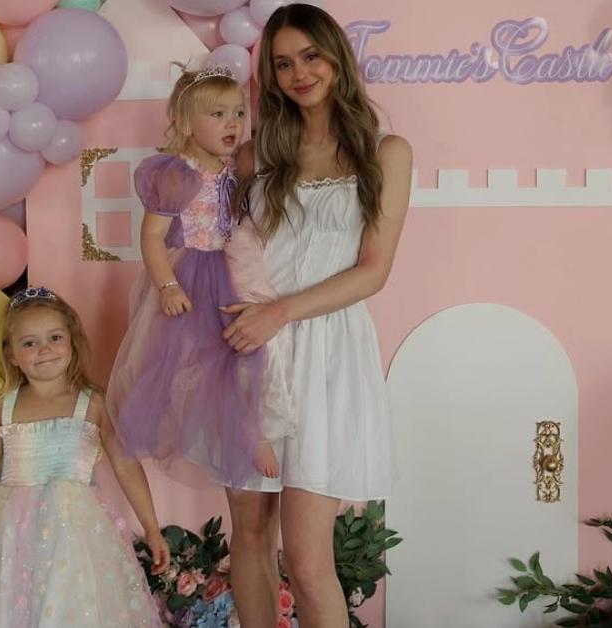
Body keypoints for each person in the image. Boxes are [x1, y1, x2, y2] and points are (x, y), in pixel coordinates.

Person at [220, 4, 414, 627]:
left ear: (336, 58)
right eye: (282, 63)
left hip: (327, 354)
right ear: (269, 77)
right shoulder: (252, 159)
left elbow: (372, 271)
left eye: (310, 55)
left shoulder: (384, 152)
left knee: (308, 563)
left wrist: (281, 311)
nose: (299, 72)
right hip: (252, 351)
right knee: (248, 540)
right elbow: (221, 254)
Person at [106, 64, 294, 486]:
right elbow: (152, 236)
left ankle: (255, 429)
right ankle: (229, 431)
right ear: (187, 123)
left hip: (229, 268)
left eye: (238, 113)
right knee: (195, 362)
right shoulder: (175, 174)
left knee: (249, 349)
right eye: (217, 114)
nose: (232, 123)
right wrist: (167, 285)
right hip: (190, 273)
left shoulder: (234, 167)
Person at [0, 286, 170, 627]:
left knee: (75, 609)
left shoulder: (91, 403)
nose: (45, 350)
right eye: (29, 343)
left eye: (54, 337)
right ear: (12, 355)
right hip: (16, 536)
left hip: (75, 537)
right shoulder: (4, 408)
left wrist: (152, 529)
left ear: (71, 342)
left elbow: (125, 465)